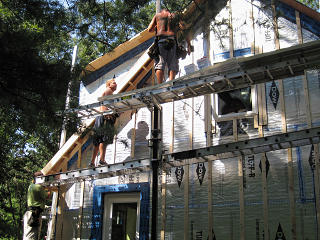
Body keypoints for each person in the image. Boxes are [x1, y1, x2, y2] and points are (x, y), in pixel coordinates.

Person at [147, 8, 192, 84]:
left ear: (162, 11)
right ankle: (171, 83)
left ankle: (160, 84)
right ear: (169, 11)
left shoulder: (157, 16)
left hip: (161, 41)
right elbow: (184, 29)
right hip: (172, 41)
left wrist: (157, 27)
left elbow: (149, 29)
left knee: (160, 63)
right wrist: (189, 45)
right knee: (172, 63)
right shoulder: (174, 16)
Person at [89, 77, 118, 167]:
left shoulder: (108, 91)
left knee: (97, 141)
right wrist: (107, 115)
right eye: (113, 83)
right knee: (103, 140)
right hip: (104, 117)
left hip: (100, 117)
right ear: (109, 85)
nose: (115, 84)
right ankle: (102, 160)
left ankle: (92, 162)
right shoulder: (109, 91)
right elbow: (104, 103)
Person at [23, 171, 51, 240]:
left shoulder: (31, 186)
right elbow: (47, 196)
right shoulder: (38, 187)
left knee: (28, 234)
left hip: (29, 213)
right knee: (32, 235)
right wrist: (50, 188)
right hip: (35, 214)